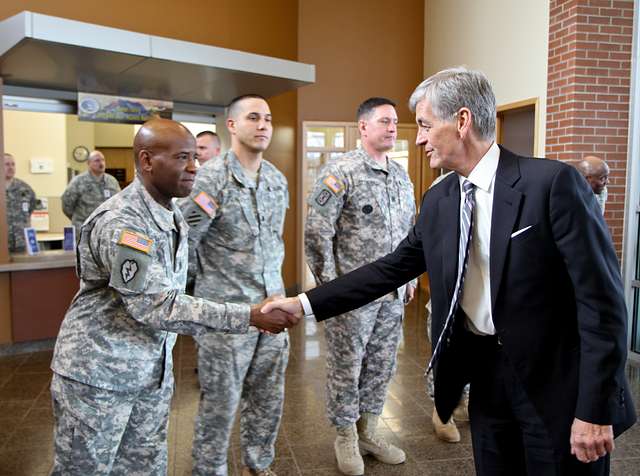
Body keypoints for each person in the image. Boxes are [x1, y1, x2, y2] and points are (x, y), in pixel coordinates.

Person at [264, 67, 636, 476]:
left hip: (557, 386)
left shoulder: (551, 184)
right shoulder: (440, 198)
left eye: (425, 125)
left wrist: (595, 407)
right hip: (486, 381)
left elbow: (601, 303)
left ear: (462, 121)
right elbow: (389, 269)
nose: (418, 138)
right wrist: (303, 303)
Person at [49, 118, 298, 475]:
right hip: (99, 376)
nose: (195, 167)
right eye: (183, 158)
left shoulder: (169, 213)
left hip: (150, 371)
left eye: (195, 157)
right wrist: (248, 315)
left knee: (145, 468)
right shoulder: (124, 222)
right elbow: (154, 305)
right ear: (147, 161)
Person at [304, 97, 415, 475]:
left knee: (381, 364)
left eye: (395, 122)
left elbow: (409, 233)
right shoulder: (341, 171)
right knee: (346, 366)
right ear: (363, 127)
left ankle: (369, 430)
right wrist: (331, 291)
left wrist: (410, 277)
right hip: (352, 297)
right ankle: (346, 436)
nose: (392, 127)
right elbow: (317, 232)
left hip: (392, 294)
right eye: (384, 121)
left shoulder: (400, 175)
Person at [180, 95, 289, 476]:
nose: (263, 125)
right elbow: (184, 246)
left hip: (274, 311)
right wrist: (198, 306)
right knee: (221, 404)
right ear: (232, 125)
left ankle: (257, 465)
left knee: (268, 398)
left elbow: (274, 242)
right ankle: (209, 471)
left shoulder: (276, 179)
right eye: (254, 118)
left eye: (268, 119)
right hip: (228, 317)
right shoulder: (210, 179)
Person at [61, 149, 121, 235]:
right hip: (84, 229)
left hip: (106, 229)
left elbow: (118, 203)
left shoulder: (112, 181)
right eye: (97, 160)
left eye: (103, 160)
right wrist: (78, 218)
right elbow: (67, 206)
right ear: (89, 163)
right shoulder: (78, 181)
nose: (101, 163)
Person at [3, 152, 36, 253]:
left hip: (20, 242)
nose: (11, 167)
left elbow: (30, 210)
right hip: (2, 242)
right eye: (7, 164)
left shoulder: (25, 188)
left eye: (13, 164)